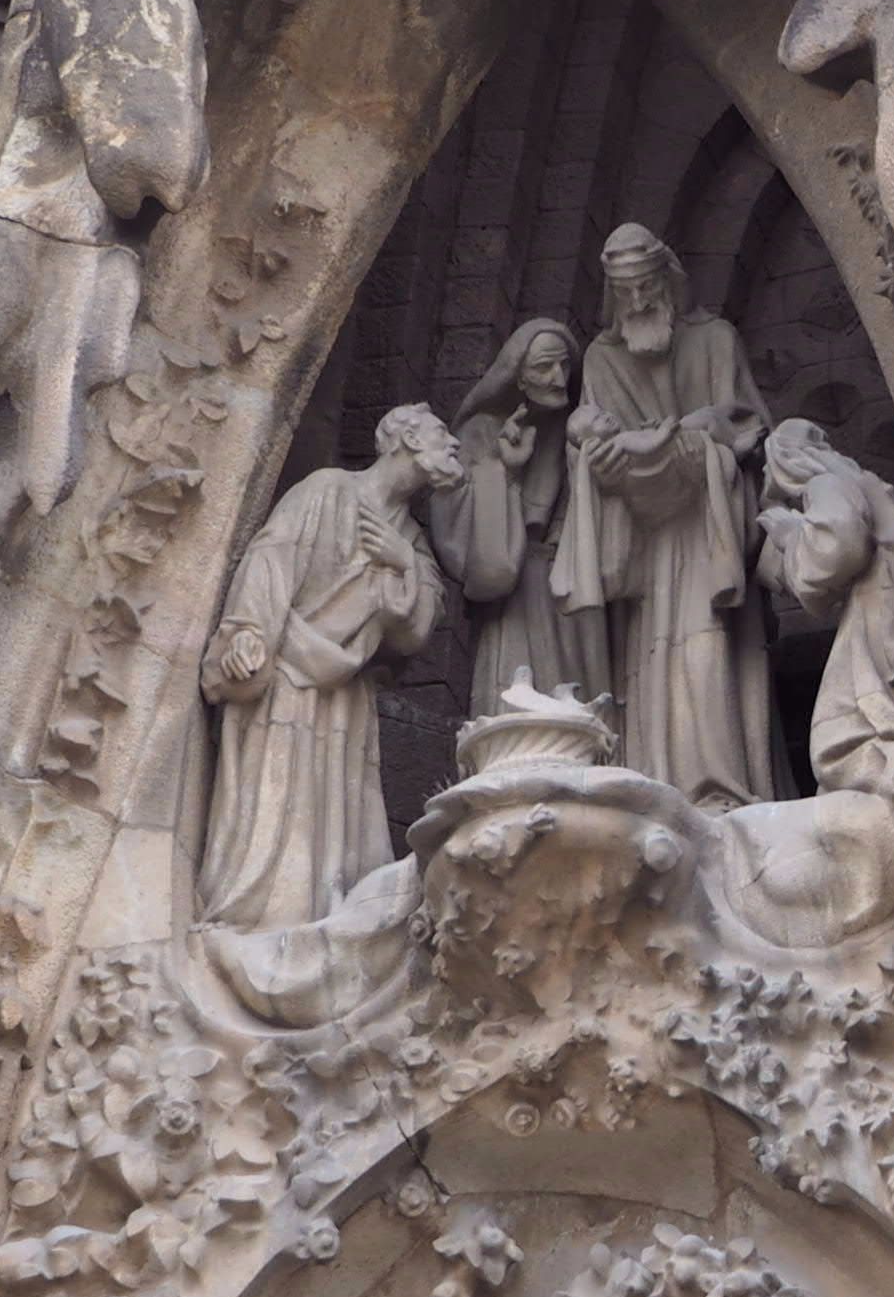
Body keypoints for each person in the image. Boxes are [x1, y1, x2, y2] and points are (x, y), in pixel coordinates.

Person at [196, 403, 461, 929]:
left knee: (332, 823)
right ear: (407, 439)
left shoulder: (410, 540)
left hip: (345, 696)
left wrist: (402, 562)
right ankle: (251, 919)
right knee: (272, 808)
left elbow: (417, 630)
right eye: (441, 431)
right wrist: (248, 632)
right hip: (285, 678)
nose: (453, 443)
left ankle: (319, 923)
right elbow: (270, 560)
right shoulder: (326, 491)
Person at [552, 224, 776, 808]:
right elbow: (587, 446)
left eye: (647, 287)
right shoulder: (602, 358)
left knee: (709, 653)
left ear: (669, 280)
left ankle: (721, 787)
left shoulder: (716, 339)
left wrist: (701, 444)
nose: (638, 302)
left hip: (708, 527)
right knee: (648, 667)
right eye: (624, 293)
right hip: (644, 546)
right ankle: (656, 789)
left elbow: (750, 428)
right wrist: (599, 464)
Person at [756, 417, 894, 808]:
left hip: (883, 608)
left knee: (839, 739)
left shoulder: (826, 484)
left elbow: (841, 547)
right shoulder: (863, 482)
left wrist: (790, 536)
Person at [428, 317, 607, 718]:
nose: (558, 377)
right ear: (518, 377)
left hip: (571, 583)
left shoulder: (575, 429)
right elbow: (455, 522)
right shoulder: (482, 430)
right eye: (544, 367)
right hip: (517, 592)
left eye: (564, 365)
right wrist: (503, 469)